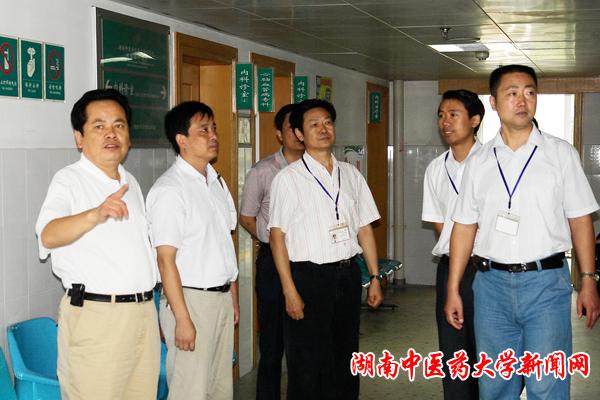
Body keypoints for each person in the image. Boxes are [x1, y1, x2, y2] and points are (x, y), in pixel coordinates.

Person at [445, 64, 600, 399]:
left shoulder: (560, 154)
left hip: (546, 284)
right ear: (494, 102)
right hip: (490, 287)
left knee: (547, 382)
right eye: (512, 93)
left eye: (530, 92)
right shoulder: (479, 162)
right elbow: (464, 227)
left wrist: (588, 279)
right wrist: (453, 288)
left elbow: (580, 220)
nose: (522, 100)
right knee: (495, 384)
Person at [35, 88, 160, 399]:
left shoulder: (130, 182)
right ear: (79, 138)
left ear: (129, 135)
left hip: (143, 314)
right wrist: (95, 213)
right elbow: (48, 234)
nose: (111, 134)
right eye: (99, 126)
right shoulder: (69, 180)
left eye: (119, 125)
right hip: (97, 318)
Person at [268, 99, 383, 400]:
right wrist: (289, 291)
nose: (323, 129)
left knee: (345, 358)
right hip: (308, 278)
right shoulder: (288, 179)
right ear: (299, 134)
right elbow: (277, 238)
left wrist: (374, 276)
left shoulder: (351, 175)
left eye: (328, 123)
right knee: (307, 363)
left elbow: (364, 228)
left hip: (347, 275)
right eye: (314, 124)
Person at [146, 101, 239, 400]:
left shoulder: (215, 182)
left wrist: (232, 296)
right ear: (181, 140)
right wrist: (182, 319)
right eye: (203, 130)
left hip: (219, 299)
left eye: (214, 128)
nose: (213, 136)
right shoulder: (170, 190)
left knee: (218, 390)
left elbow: (223, 243)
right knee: (190, 391)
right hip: (189, 300)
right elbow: (165, 260)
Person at [422, 89, 484, 399]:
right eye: (441, 115)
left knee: (488, 349)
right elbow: (438, 222)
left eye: (453, 115)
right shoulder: (436, 168)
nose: (445, 122)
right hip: (451, 268)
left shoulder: (492, 163)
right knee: (454, 349)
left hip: (489, 268)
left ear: (475, 120)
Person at [239, 104, 304, 400]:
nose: (298, 133)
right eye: (292, 127)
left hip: (309, 262)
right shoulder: (264, 171)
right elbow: (247, 217)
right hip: (273, 263)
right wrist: (270, 241)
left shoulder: (317, 170)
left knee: (305, 343)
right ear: (279, 133)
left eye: (302, 127)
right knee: (272, 343)